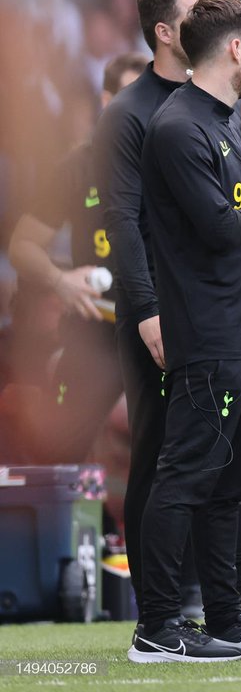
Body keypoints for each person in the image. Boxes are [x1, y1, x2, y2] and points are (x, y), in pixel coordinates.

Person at [95, 0, 241, 650]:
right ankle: (155, 625)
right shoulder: (175, 126)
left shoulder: (224, 120)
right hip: (206, 333)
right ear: (235, 49)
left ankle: (229, 617)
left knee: (230, 483)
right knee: (183, 475)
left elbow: (231, 227)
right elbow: (218, 227)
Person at [7, 52, 145, 465]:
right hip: (96, 331)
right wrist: (60, 281)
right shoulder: (77, 167)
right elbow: (22, 245)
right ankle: (66, 525)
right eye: (130, 97)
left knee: (177, 460)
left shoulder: (172, 161)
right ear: (107, 102)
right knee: (54, 452)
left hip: (159, 332)